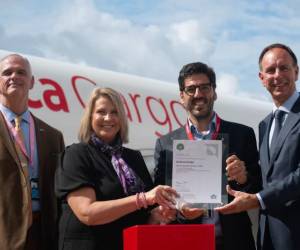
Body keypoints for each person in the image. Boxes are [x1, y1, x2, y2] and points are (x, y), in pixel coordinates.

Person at [154, 62, 261, 250]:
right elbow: (159, 197)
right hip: (186, 241)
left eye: (204, 87)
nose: (198, 94)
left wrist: (243, 178)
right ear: (181, 96)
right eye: (191, 89)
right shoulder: (166, 144)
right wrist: (180, 211)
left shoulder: (242, 134)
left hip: (235, 241)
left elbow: (258, 188)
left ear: (214, 92)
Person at [55, 87, 178, 250]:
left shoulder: (134, 158)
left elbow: (140, 214)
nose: (108, 118)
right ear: (90, 116)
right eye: (101, 112)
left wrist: (156, 215)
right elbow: (87, 213)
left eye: (114, 112)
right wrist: (143, 198)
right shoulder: (76, 154)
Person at [216, 43, 300, 250]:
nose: (277, 75)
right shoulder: (265, 125)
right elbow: (268, 179)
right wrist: (243, 179)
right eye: (270, 70)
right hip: (268, 236)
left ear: (296, 72)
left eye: (284, 68)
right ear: (262, 79)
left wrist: (258, 199)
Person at [0, 54, 65, 250]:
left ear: (32, 82)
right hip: (4, 234)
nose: (14, 77)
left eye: (21, 72)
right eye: (7, 73)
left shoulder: (53, 136)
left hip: (44, 235)